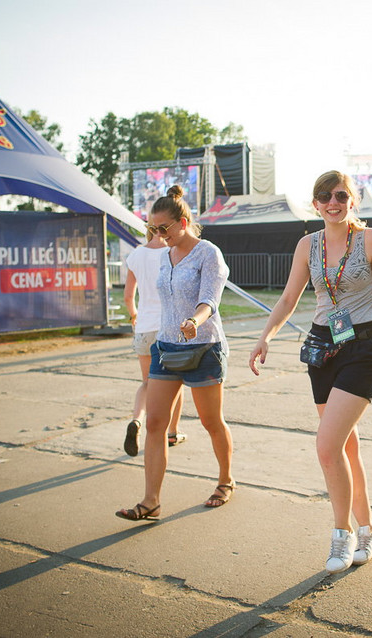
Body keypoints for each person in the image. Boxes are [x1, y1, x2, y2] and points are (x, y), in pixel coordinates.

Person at [249, 170, 372, 574]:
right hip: (322, 347)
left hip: (363, 346)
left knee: (326, 446)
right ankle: (369, 527)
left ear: (351, 200)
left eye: (340, 195)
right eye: (325, 196)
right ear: (316, 203)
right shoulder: (308, 244)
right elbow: (289, 297)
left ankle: (343, 536)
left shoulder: (370, 240)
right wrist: (265, 335)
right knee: (344, 447)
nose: (333, 202)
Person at [116, 185, 235, 521]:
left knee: (211, 422)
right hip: (165, 347)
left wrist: (193, 321)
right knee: (155, 423)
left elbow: (210, 299)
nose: (158, 235)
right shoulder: (163, 255)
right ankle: (150, 501)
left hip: (203, 347)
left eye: (163, 228)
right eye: (152, 229)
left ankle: (226, 480)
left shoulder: (208, 253)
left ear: (183, 222)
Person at [122, 229, 186, 457]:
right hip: (166, 326)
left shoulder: (136, 255)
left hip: (144, 327)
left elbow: (128, 296)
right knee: (175, 382)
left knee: (147, 382)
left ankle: (137, 420)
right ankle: (172, 431)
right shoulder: (171, 252)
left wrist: (134, 315)